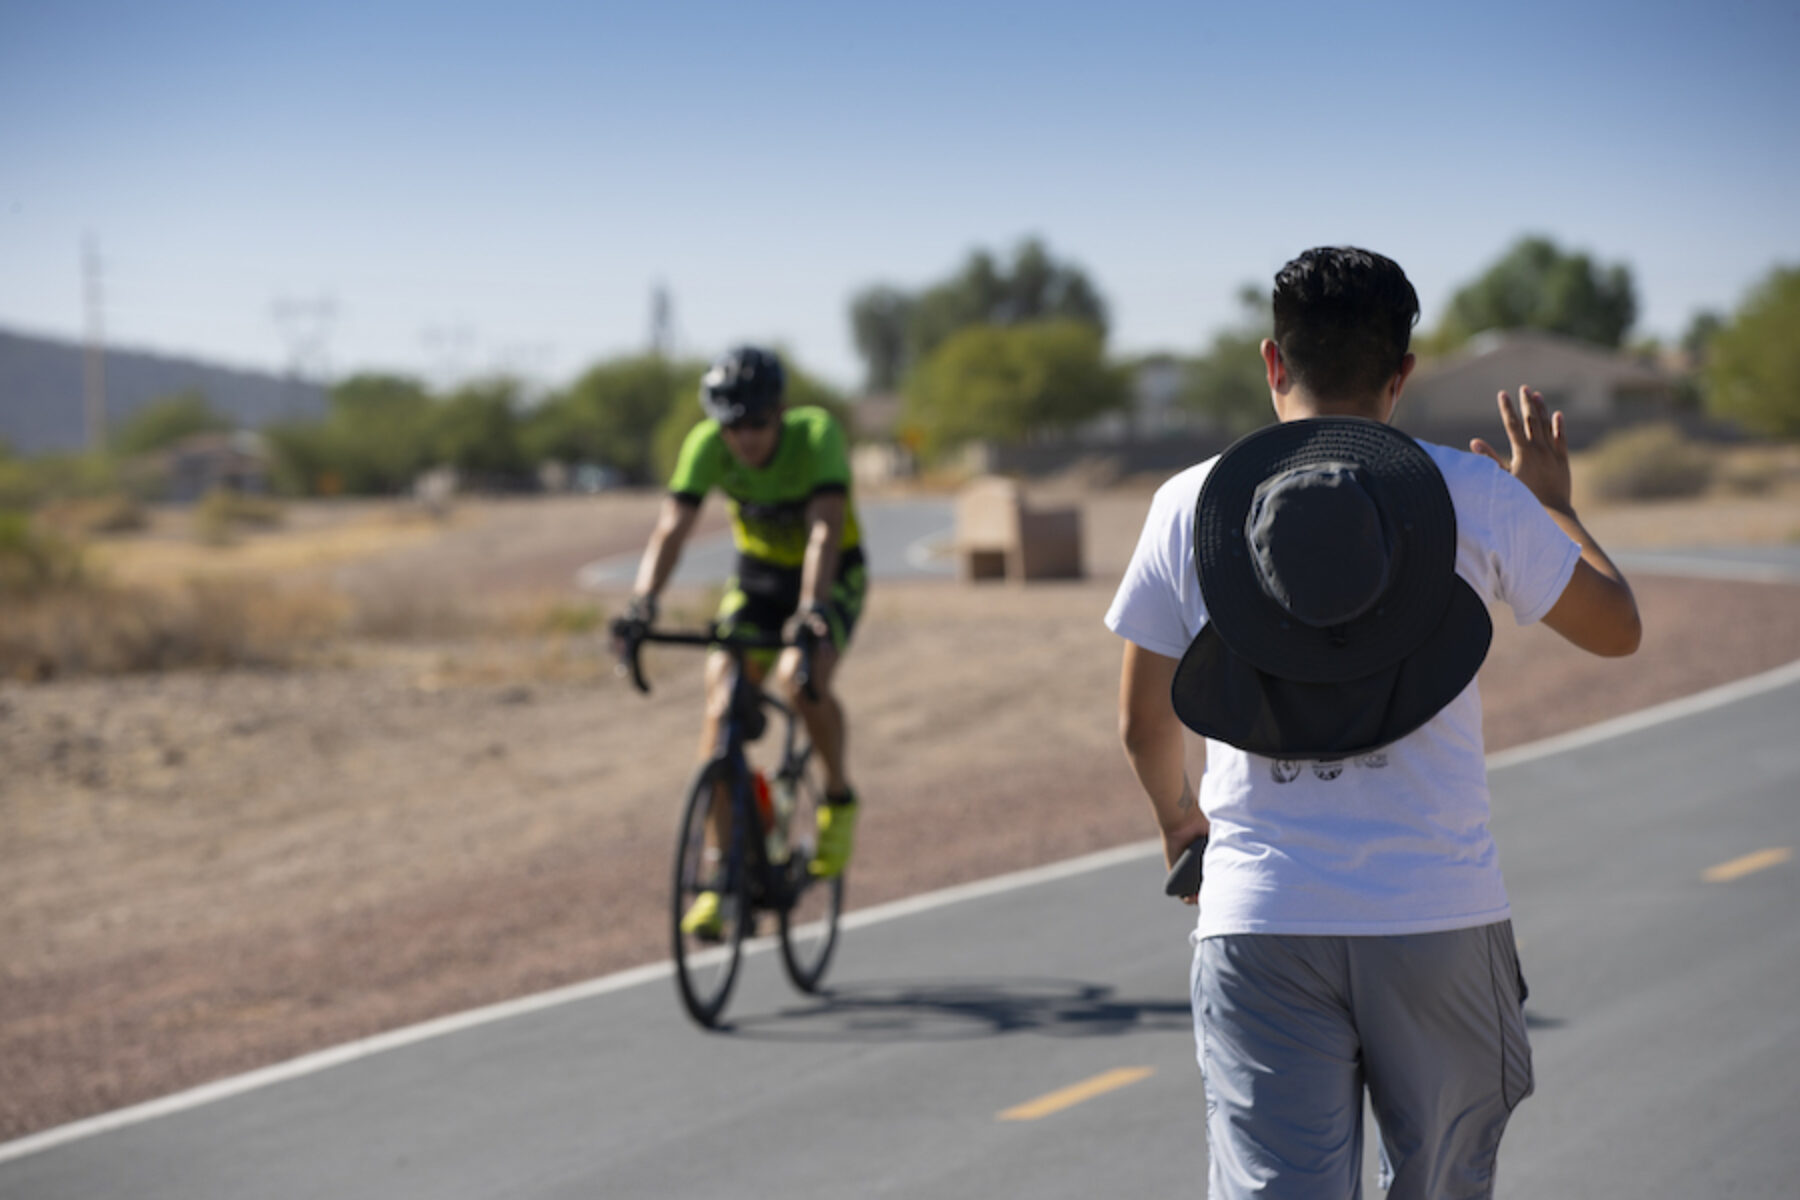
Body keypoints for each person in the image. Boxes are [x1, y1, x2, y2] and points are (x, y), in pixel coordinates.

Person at [1105, 247, 1640, 1199]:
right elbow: (1617, 631)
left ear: (1273, 363)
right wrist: (1553, 507)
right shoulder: (1474, 496)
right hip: (1436, 912)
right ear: (1402, 375)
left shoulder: (1188, 505)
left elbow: (1142, 721)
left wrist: (1179, 822)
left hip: (1260, 917)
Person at [616, 346, 866, 938]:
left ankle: (837, 798)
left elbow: (825, 527)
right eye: (731, 425)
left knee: (799, 682)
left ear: (779, 412)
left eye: (756, 423)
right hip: (756, 580)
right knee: (721, 706)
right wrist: (642, 603)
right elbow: (671, 527)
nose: (744, 439)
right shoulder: (707, 445)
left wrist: (810, 610)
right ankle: (719, 876)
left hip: (829, 576)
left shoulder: (816, 435)